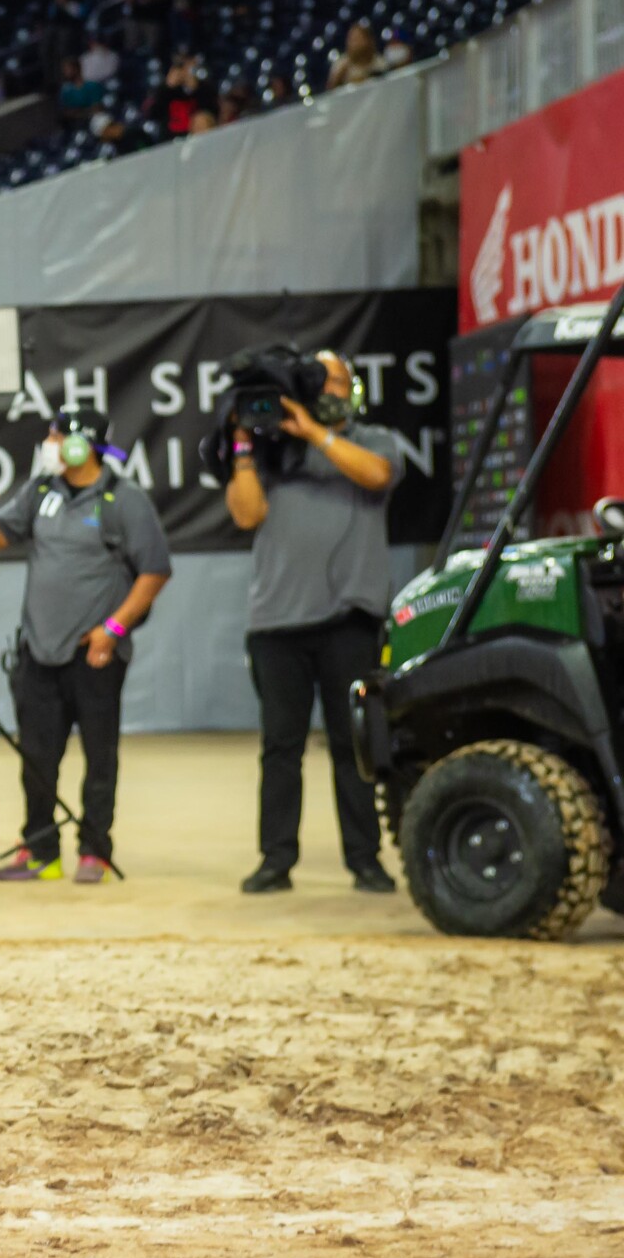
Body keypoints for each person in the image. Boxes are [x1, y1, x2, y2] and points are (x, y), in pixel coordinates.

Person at [0, 410, 172, 884]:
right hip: (38, 652)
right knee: (37, 759)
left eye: (56, 437)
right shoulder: (40, 491)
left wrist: (112, 630)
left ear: (82, 445)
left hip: (95, 655)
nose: (49, 444)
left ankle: (95, 851)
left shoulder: (124, 499)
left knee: (99, 758)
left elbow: (155, 571)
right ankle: (41, 850)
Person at [226, 352, 403, 895]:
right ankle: (276, 860)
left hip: (349, 620)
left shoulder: (375, 440)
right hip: (276, 623)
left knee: (353, 746)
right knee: (281, 748)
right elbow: (246, 514)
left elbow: (377, 475)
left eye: (337, 382)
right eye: (318, 383)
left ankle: (365, 860)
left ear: (354, 391)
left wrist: (317, 434)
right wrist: (244, 448)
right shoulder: (272, 449)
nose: (328, 391)